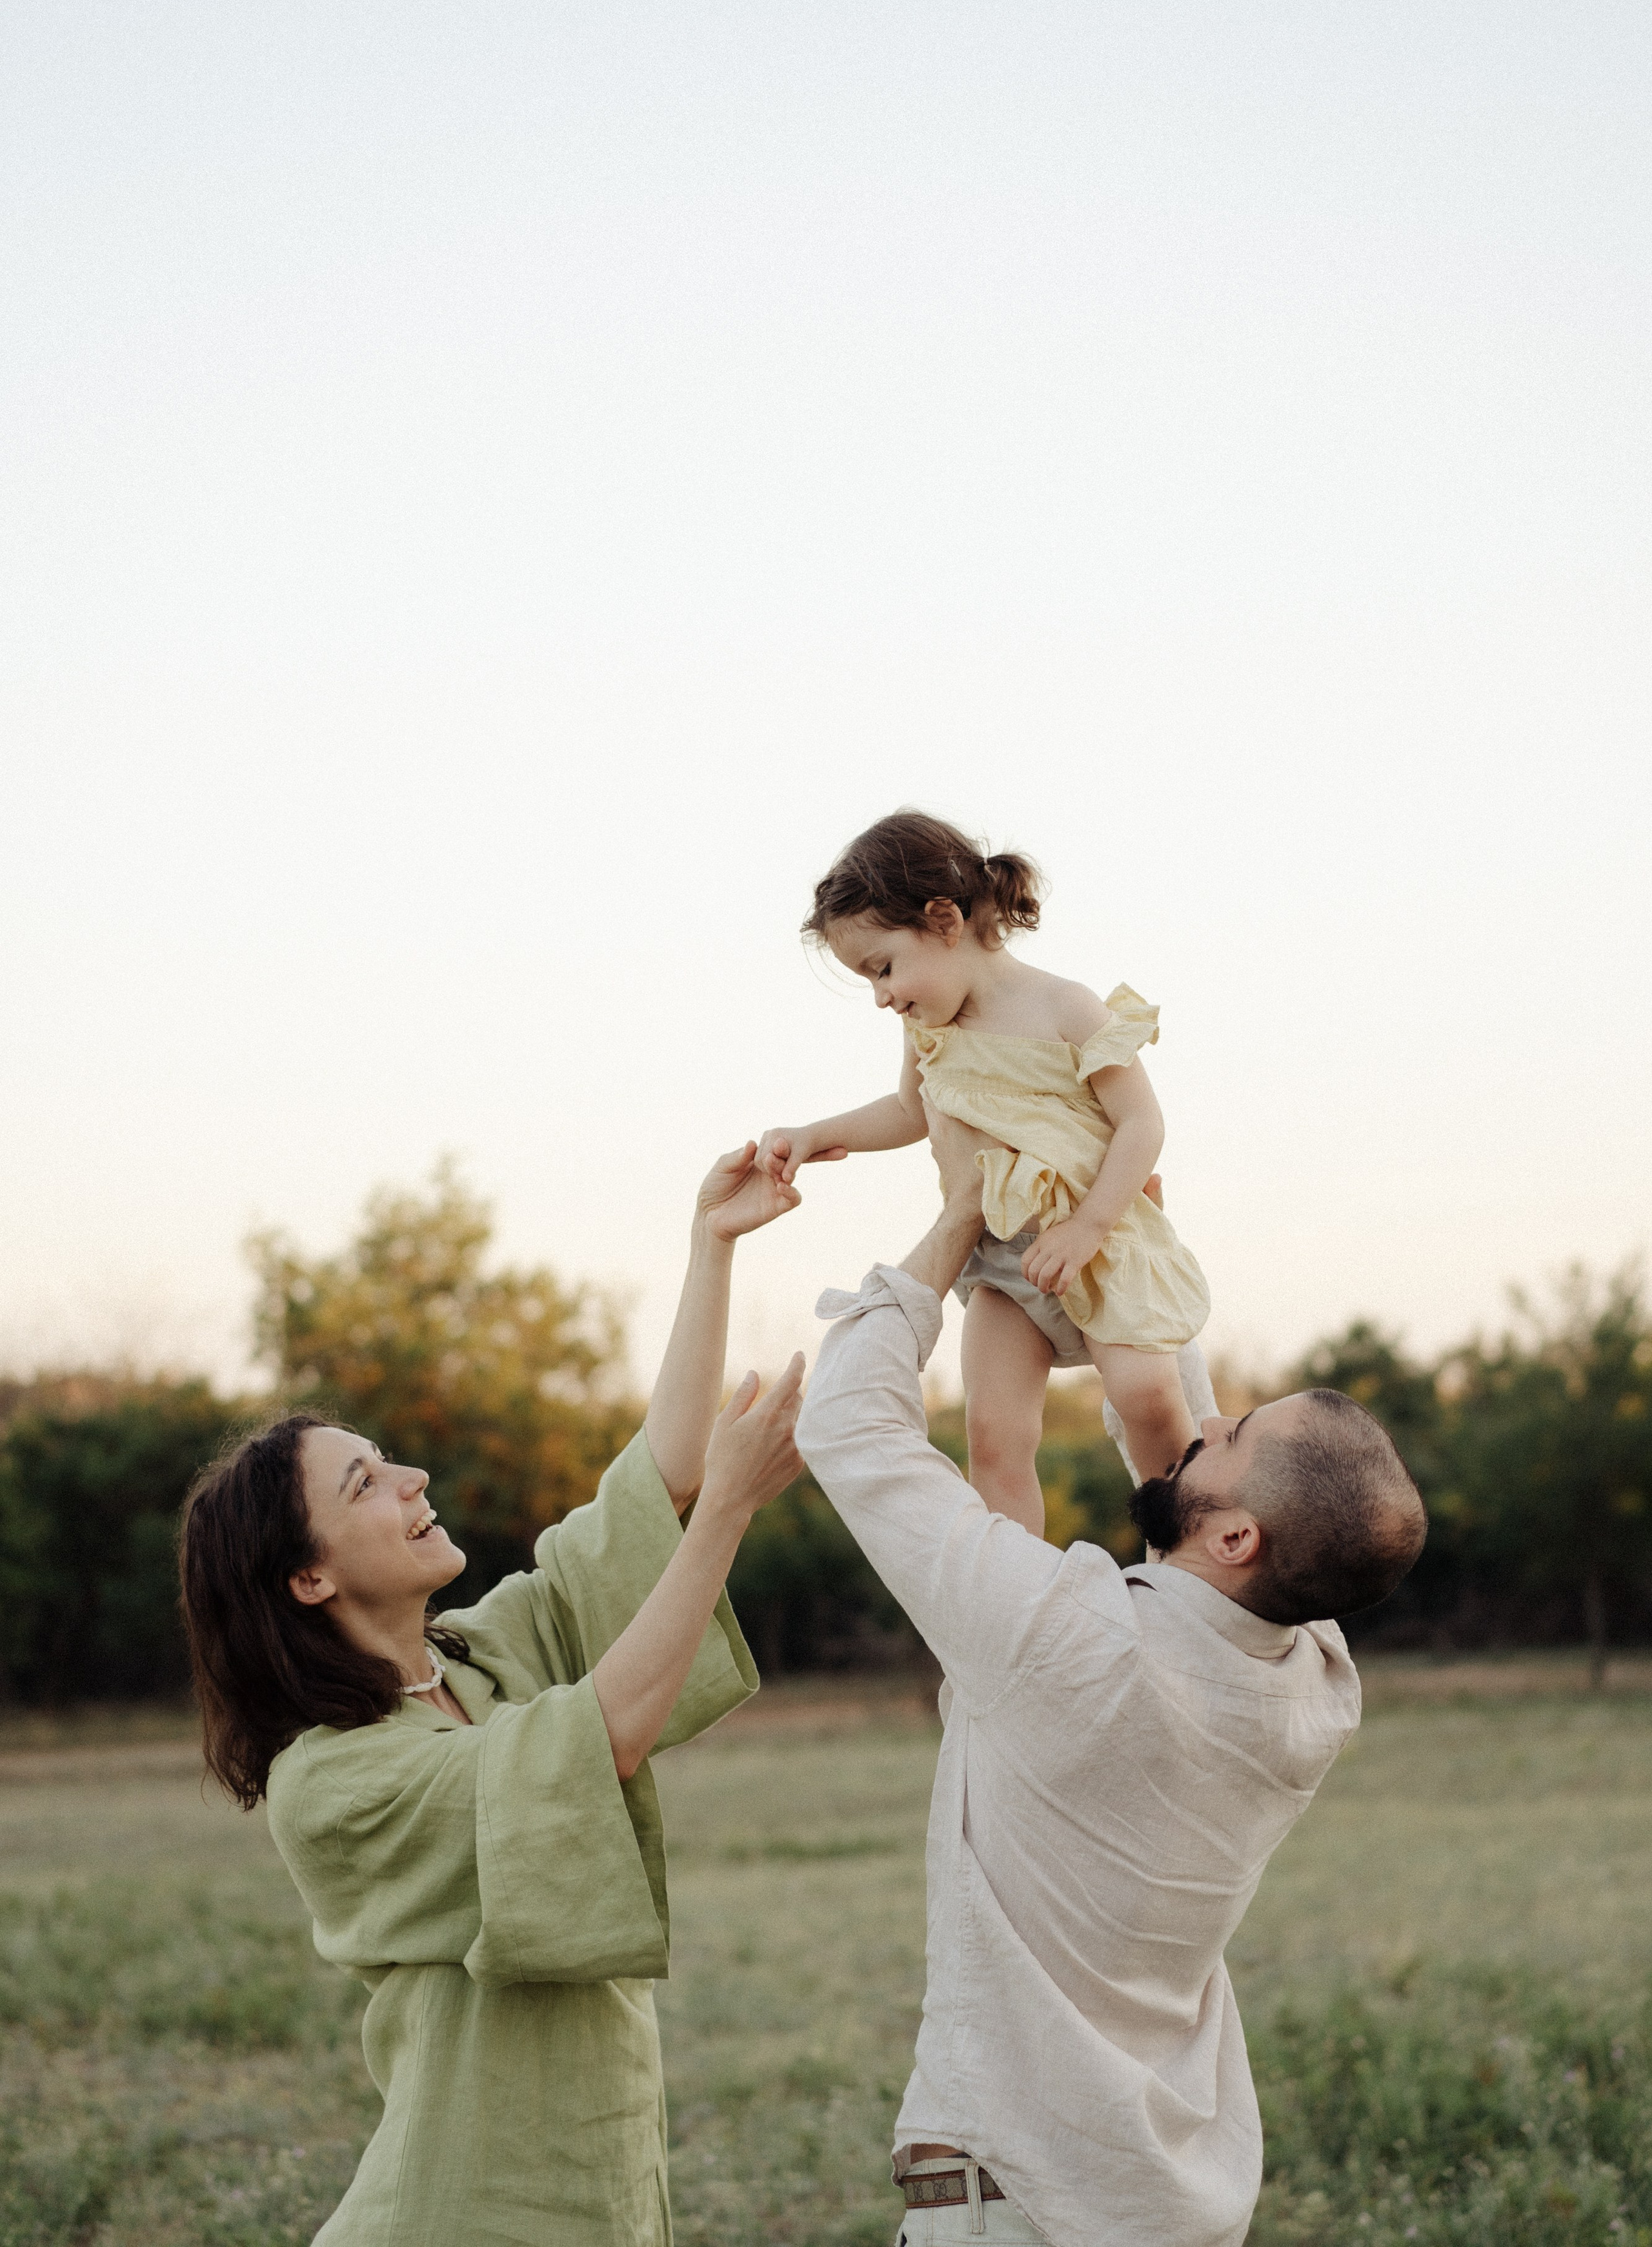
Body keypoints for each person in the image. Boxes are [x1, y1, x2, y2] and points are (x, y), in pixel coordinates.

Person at [795, 1103, 1427, 2247]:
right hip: (1170, 2205)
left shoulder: (1067, 1636)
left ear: (1238, 1536)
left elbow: (847, 1424)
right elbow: (1191, 1486)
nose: (1210, 1422)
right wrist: (1132, 1253)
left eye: (1235, 1435)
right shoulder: (1317, 1688)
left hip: (1017, 2209)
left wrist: (958, 1218)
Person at [179, 1144, 805, 2247]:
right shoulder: (331, 1782)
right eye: (365, 1484)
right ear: (308, 1577)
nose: (412, 1479)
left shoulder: (473, 1658)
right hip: (459, 2213)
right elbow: (600, 1739)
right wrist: (729, 1513)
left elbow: (648, 1494)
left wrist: (711, 1246)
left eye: (387, 1460)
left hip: (604, 2198)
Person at [758, 809, 1210, 1535]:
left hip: (1102, 1243)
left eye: (883, 968)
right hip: (1001, 1262)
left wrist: (1089, 1227)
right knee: (994, 1435)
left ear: (944, 920)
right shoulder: (927, 1031)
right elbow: (908, 1110)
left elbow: (1141, 1123)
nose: (881, 996)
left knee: (1149, 1400)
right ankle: (1019, 1582)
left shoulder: (1065, 1006)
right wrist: (814, 1136)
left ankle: (1188, 1557)